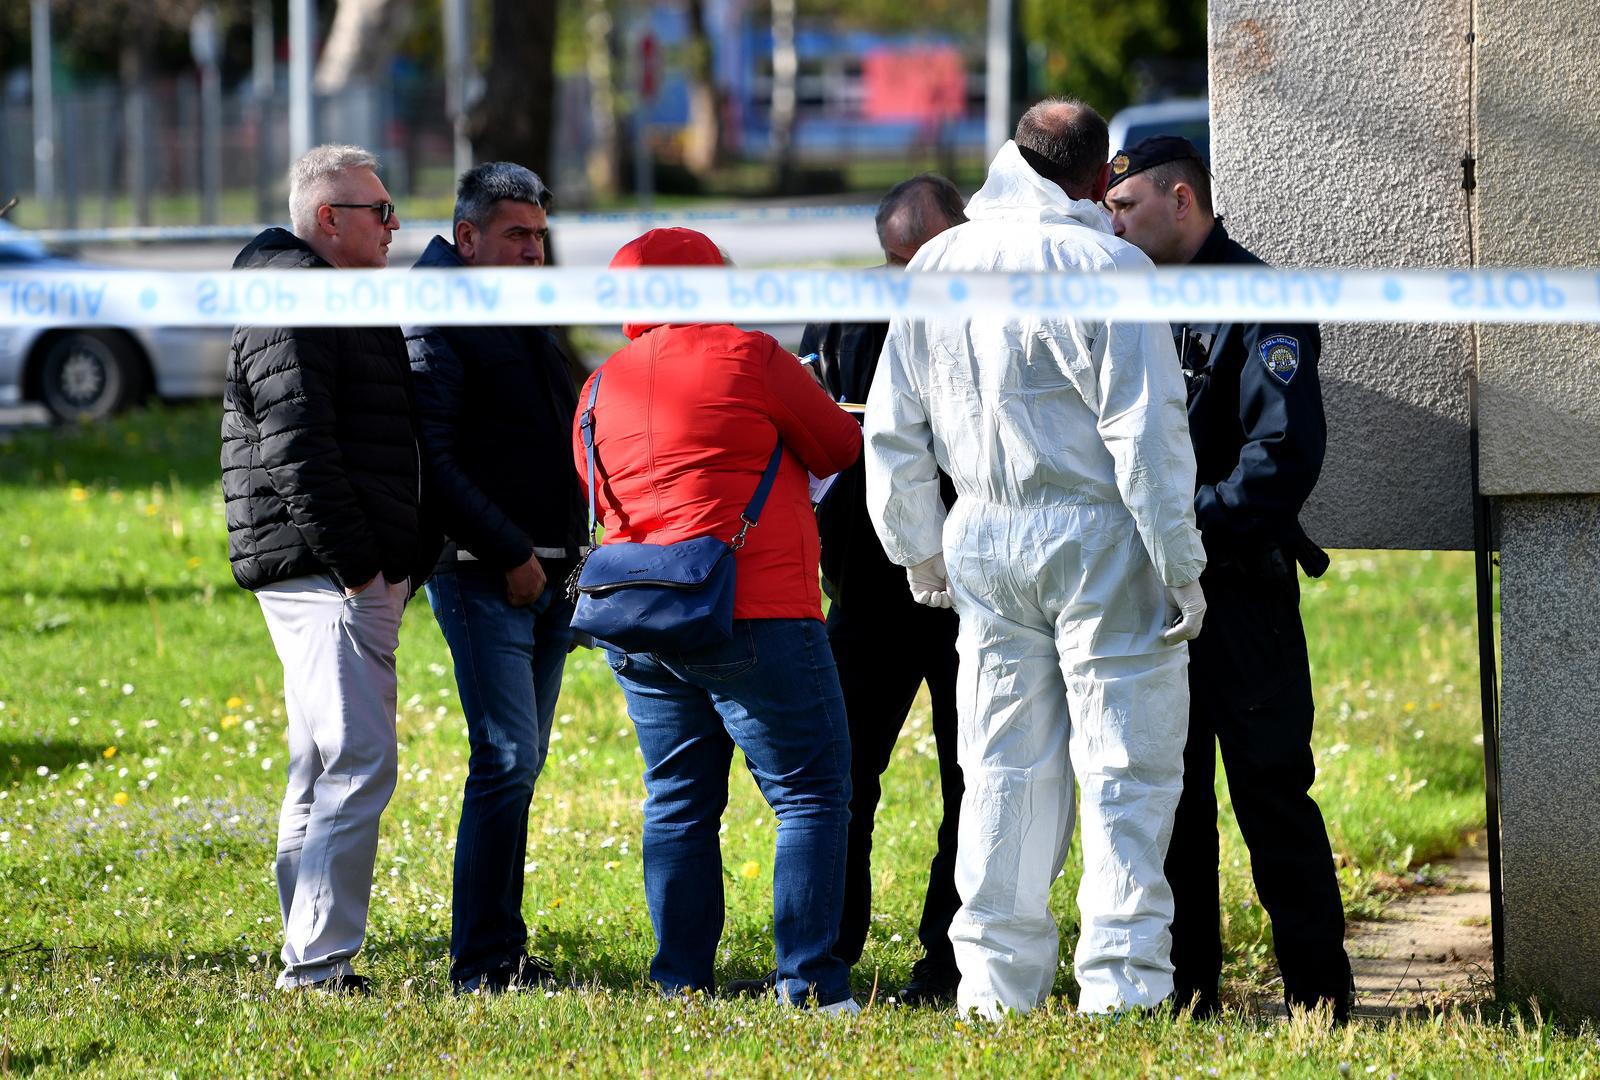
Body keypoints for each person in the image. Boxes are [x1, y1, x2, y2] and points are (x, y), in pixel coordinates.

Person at [865, 99, 1208, 1019]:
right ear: (1101, 180)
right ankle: (1124, 990)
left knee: (1002, 769)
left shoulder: (938, 261)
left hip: (985, 536)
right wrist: (1181, 563)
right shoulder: (1108, 265)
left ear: (1013, 157)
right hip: (1100, 538)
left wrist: (918, 552)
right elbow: (1145, 437)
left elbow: (892, 426)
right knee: (1124, 770)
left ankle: (993, 989)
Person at [574, 227, 863, 1012]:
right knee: (809, 795)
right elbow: (839, 445)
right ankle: (808, 984)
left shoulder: (599, 385)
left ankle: (679, 982)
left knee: (676, 799)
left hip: (638, 620)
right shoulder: (753, 356)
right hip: (756, 609)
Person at [1105, 135, 1351, 1021]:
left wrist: (1181, 527)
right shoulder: (1124, 299)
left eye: (1125, 205)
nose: (1113, 222)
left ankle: (1319, 998)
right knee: (1171, 804)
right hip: (1154, 589)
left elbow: (1282, 456)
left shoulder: (1261, 296)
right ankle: (1189, 997)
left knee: (1271, 793)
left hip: (1238, 585)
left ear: (1181, 200)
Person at [221, 144, 428, 994]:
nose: (394, 226)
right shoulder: (294, 296)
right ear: (328, 220)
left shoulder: (326, 290)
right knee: (358, 761)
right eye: (379, 212)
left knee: (319, 763)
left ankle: (310, 946)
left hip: (329, 569)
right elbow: (296, 449)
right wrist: (359, 572)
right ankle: (316, 966)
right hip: (325, 574)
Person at [405, 162, 588, 994]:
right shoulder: (435, 311)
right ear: (467, 236)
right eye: (517, 235)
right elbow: (432, 461)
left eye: (540, 237)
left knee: (525, 760)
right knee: (505, 759)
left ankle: (502, 949)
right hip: (485, 573)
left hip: (548, 572)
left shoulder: (512, 305)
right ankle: (482, 962)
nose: (533, 252)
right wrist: (513, 550)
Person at [809, 174, 968, 1005]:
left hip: (970, 587)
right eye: (898, 260)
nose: (912, 275)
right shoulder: (849, 310)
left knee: (970, 778)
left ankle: (947, 961)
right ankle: (829, 952)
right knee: (842, 778)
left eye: (926, 257)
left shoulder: (992, 302)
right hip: (868, 589)